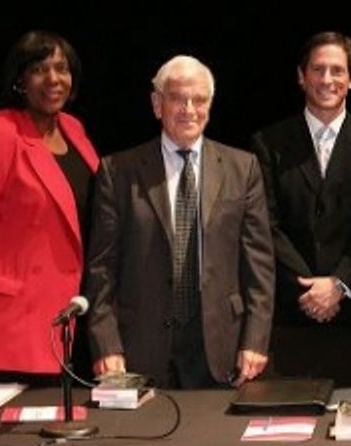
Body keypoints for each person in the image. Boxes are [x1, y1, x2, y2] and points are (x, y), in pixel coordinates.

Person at [85, 55, 274, 388]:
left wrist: (255, 340)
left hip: (221, 347)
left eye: (199, 99)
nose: (189, 109)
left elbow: (259, 267)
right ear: (157, 104)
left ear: (210, 105)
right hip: (138, 349)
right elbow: (102, 268)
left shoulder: (243, 168)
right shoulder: (118, 171)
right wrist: (105, 343)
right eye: (177, 98)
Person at [0, 31, 99, 383]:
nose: (54, 78)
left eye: (62, 68)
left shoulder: (74, 130)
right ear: (20, 80)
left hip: (74, 319)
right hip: (14, 326)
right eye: (40, 69)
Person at [251, 32, 351, 386]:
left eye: (337, 70)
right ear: (301, 76)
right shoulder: (268, 143)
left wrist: (338, 284)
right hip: (288, 312)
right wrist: (309, 288)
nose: (327, 80)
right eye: (318, 69)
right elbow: (266, 225)